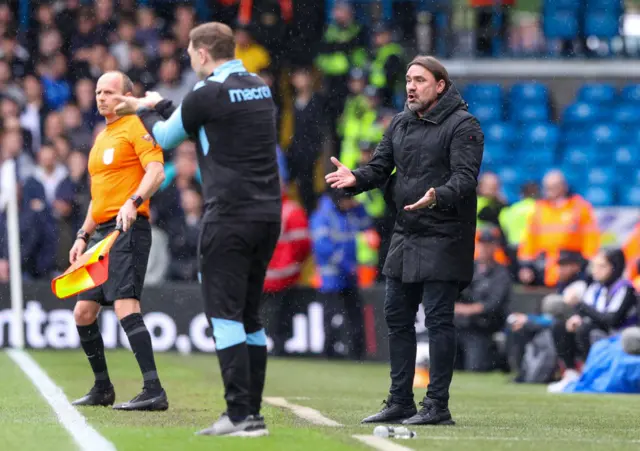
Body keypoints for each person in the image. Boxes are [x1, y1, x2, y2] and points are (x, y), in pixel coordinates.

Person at [113, 22, 280, 437]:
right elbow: (204, 120)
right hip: (266, 214)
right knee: (249, 316)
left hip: (229, 215)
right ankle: (252, 413)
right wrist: (160, 102)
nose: (188, 58)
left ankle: (239, 415)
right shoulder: (258, 86)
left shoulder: (208, 93)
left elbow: (169, 136)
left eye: (190, 52)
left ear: (203, 53)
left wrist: (144, 108)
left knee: (224, 315)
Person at [326, 55, 484, 425]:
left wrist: (437, 195)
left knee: (438, 320)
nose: (411, 87)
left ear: (440, 85)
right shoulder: (399, 122)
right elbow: (380, 168)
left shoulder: (464, 125)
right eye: (409, 80)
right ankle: (400, 401)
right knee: (396, 317)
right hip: (406, 231)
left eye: (420, 80)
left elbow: (465, 178)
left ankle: (437, 406)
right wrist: (356, 179)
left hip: (446, 234)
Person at [69, 71, 168, 411]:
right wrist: (83, 234)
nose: (101, 97)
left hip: (128, 228)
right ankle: (102, 388)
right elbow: (99, 199)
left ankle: (153, 389)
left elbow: (157, 171)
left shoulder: (137, 126)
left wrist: (134, 200)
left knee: (126, 305)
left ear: (128, 95)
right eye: (97, 92)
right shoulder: (102, 137)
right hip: (100, 233)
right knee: (83, 312)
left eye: (109, 92)